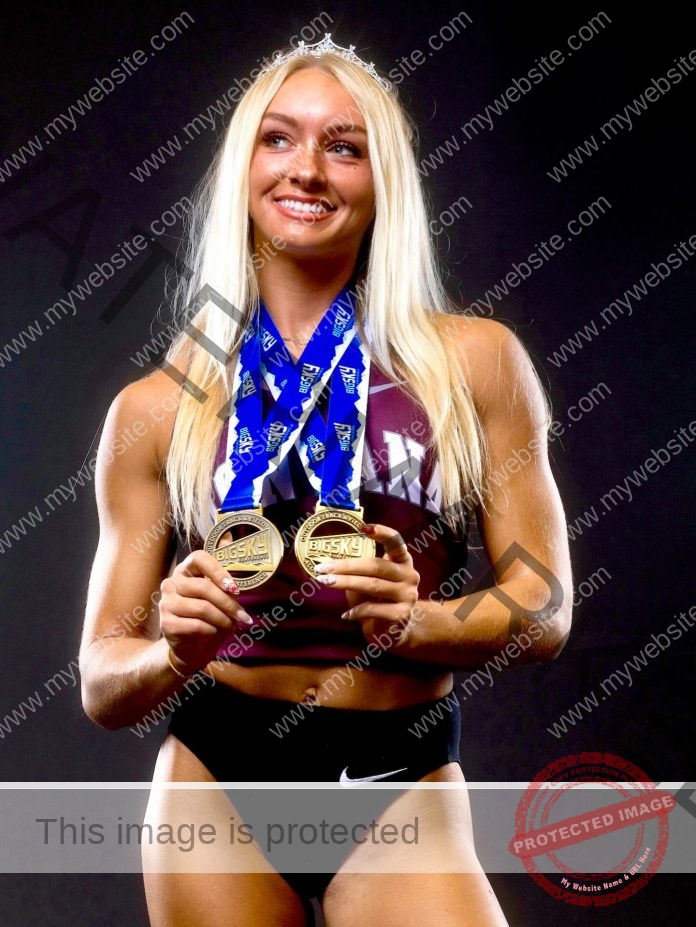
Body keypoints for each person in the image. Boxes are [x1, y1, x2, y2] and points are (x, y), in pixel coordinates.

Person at [79, 35, 572, 927]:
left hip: (399, 770)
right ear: (244, 168)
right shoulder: (156, 408)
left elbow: (545, 608)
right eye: (279, 139)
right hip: (217, 776)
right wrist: (171, 650)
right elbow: (100, 680)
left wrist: (419, 621)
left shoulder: (477, 363)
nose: (307, 170)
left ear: (383, 180)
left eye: (343, 146)